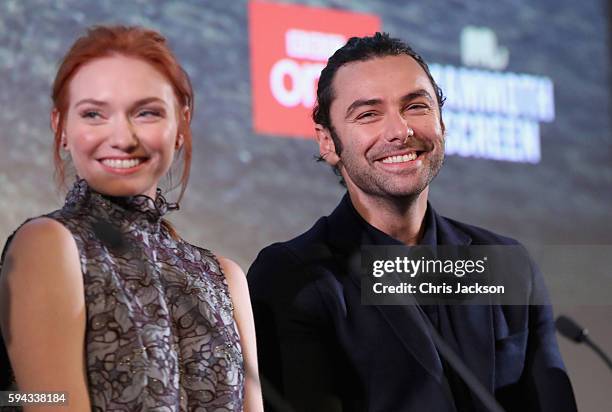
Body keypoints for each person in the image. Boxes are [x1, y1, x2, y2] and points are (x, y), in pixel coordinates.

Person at [248, 33, 576, 412]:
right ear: (328, 142)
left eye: (416, 106)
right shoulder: (293, 275)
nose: (400, 131)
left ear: (441, 120)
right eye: (368, 114)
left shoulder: (505, 264)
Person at [0, 25, 263, 411]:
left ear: (180, 125)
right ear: (62, 129)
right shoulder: (49, 244)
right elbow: (45, 400)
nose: (122, 137)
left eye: (146, 113)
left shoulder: (226, 277)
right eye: (94, 113)